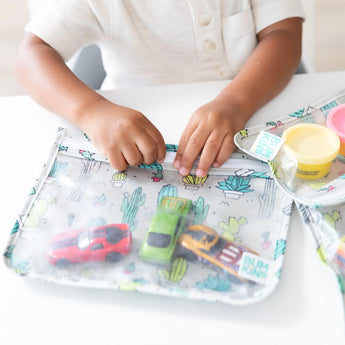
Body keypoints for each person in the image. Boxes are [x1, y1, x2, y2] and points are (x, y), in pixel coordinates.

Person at [16, 0, 304, 177]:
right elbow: (32, 54)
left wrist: (237, 103)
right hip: (135, 140)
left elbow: (284, 33)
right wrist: (92, 112)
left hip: (252, 109)